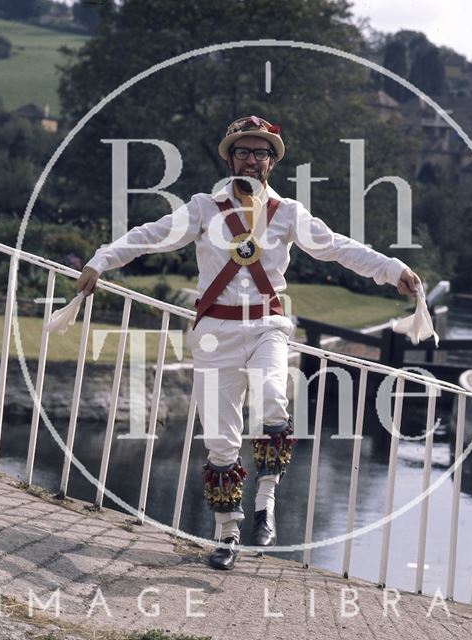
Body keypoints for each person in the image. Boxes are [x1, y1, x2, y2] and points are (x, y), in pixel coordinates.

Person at [77, 115, 420, 570]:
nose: (252, 160)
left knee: (274, 400)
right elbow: (150, 236)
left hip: (267, 327)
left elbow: (338, 247)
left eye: (261, 153)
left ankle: (265, 502)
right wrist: (100, 261)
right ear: (231, 157)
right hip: (214, 334)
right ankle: (227, 534)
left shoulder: (288, 214)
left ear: (272, 163)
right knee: (220, 442)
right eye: (244, 151)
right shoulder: (203, 207)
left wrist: (393, 270)